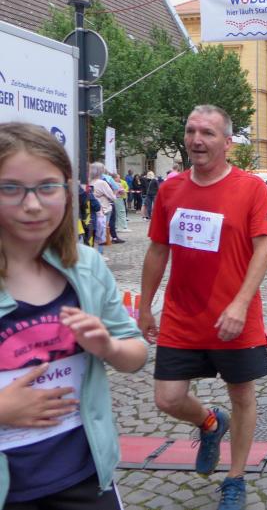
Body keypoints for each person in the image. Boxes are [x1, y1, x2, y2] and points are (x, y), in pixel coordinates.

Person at [137, 105, 267, 510]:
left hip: (235, 315)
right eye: (191, 131)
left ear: (227, 142)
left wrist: (240, 304)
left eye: (208, 133)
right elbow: (158, 250)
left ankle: (235, 478)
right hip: (182, 315)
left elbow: (262, 249)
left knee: (242, 395)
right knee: (167, 398)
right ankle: (210, 422)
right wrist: (145, 306)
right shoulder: (171, 189)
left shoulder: (251, 187)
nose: (197, 140)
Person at [0, 122, 147, 509]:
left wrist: (108, 346)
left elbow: (135, 354)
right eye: (11, 188)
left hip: (85, 478)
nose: (32, 204)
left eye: (47, 187)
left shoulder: (86, 266)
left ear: (67, 191)